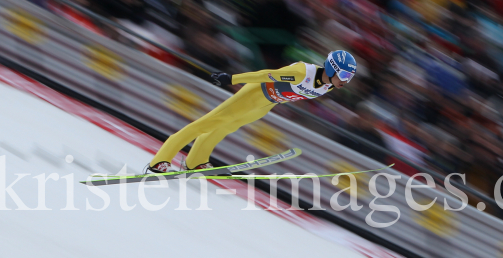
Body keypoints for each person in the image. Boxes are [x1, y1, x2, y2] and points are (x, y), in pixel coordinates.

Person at [146, 50, 357, 173]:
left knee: (225, 127)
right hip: (255, 94)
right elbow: (266, 75)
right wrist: (232, 79)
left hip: (267, 104)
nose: (345, 82)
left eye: (349, 78)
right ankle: (159, 160)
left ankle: (194, 162)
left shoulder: (327, 86)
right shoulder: (303, 72)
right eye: (344, 75)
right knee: (208, 123)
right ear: (331, 68)